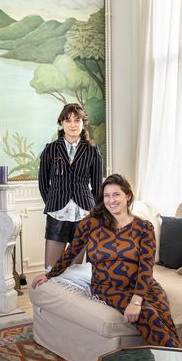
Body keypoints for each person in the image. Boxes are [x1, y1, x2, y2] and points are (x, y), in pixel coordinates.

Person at [31, 174, 181, 348]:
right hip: (107, 287)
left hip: (143, 287)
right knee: (148, 314)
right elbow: (71, 251)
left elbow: (146, 268)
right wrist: (51, 274)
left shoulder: (144, 228)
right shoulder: (91, 224)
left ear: (128, 196)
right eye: (107, 196)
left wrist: (137, 299)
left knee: (163, 314)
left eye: (116, 194)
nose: (111, 200)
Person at [38, 103, 103, 270]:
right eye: (68, 120)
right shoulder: (50, 149)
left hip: (83, 215)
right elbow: (43, 183)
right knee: (51, 268)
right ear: (61, 123)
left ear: (83, 123)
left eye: (77, 120)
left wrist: (93, 211)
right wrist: (54, 201)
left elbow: (97, 187)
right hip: (57, 213)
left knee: (74, 269)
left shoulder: (93, 151)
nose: (73, 124)